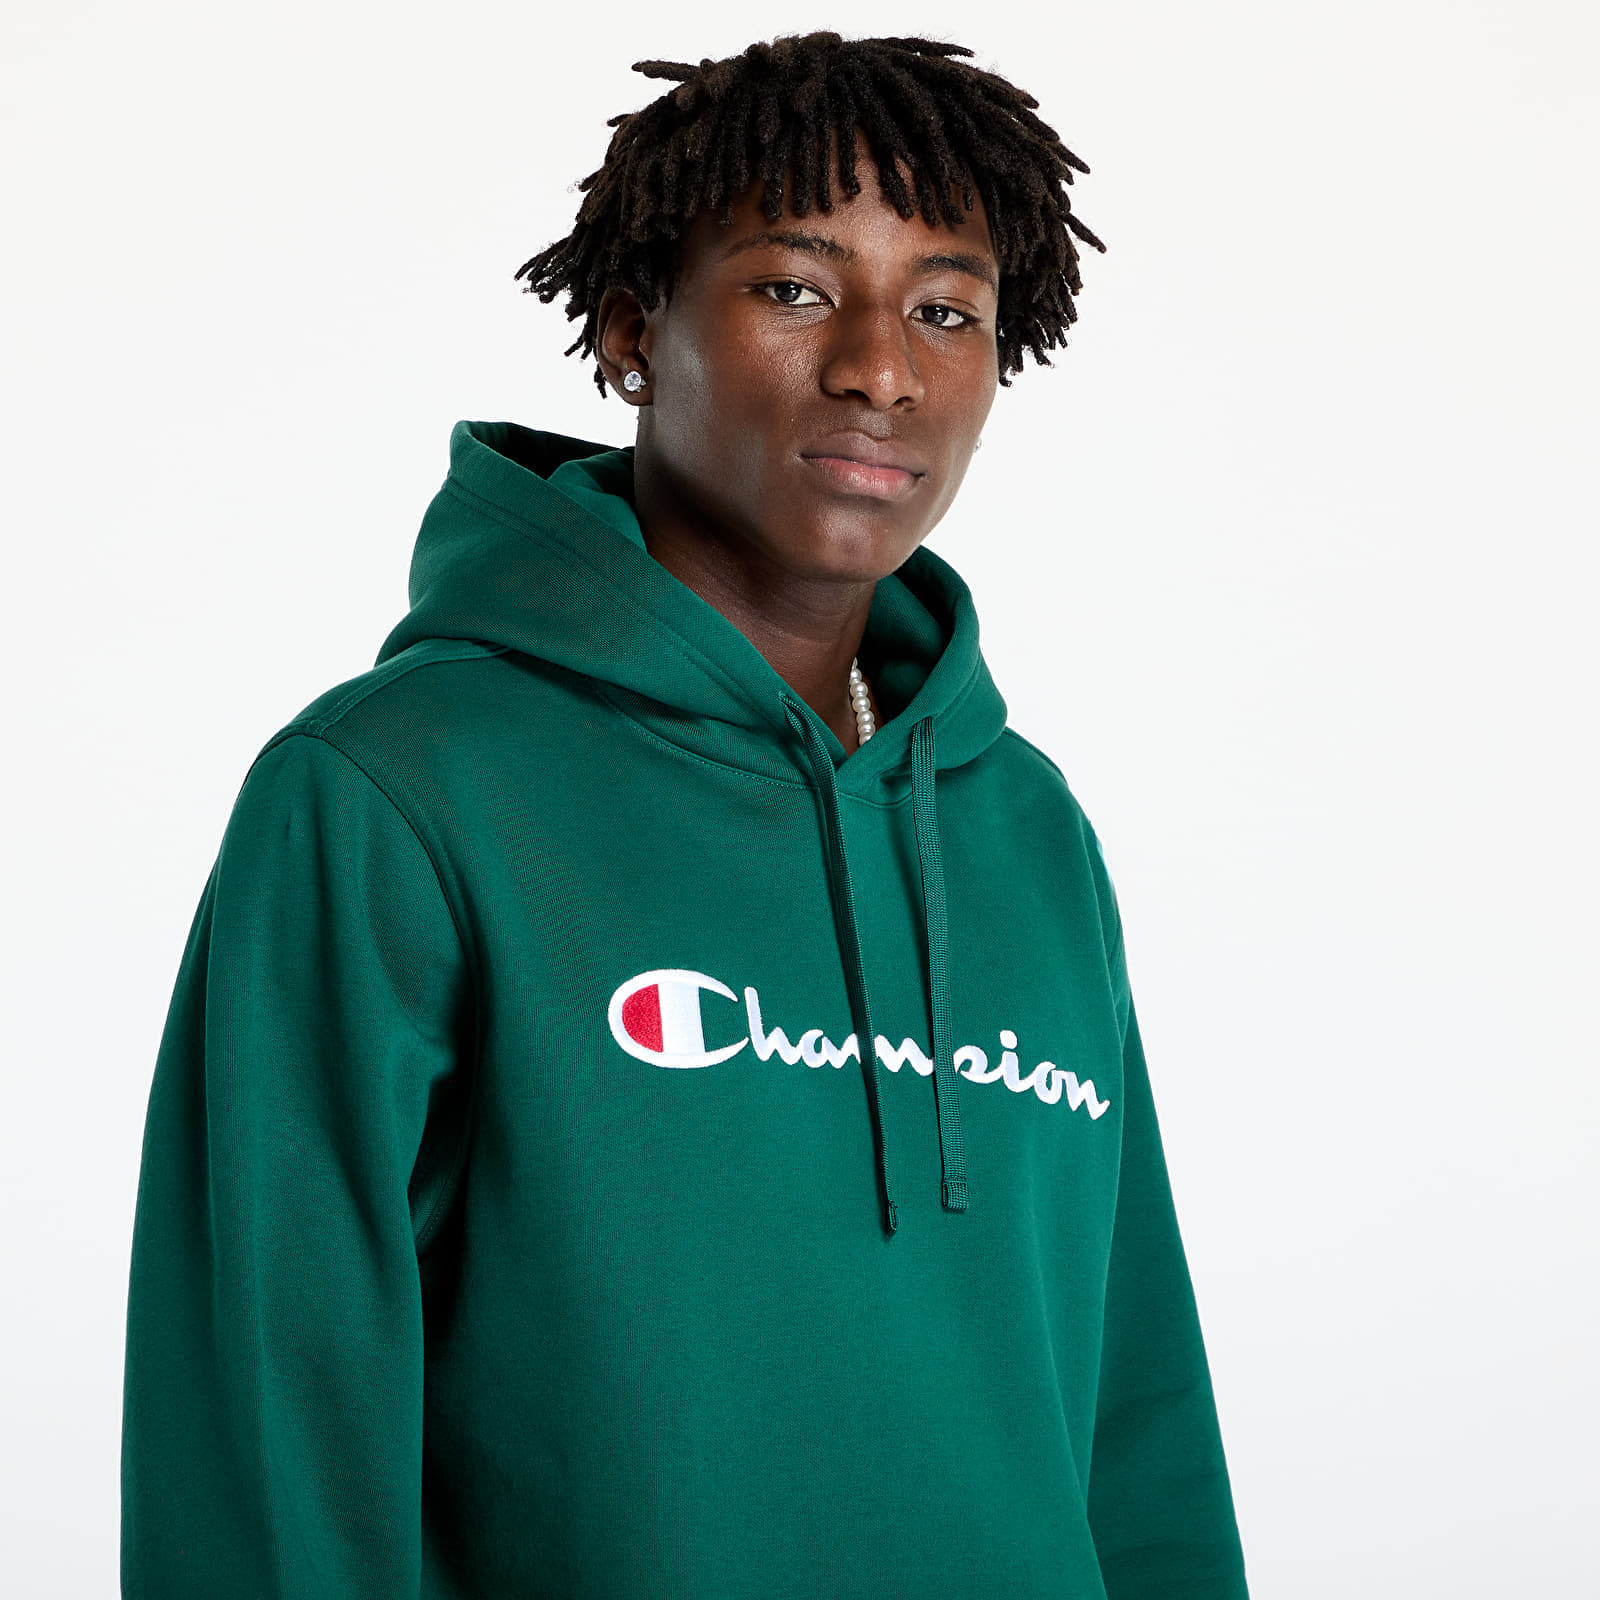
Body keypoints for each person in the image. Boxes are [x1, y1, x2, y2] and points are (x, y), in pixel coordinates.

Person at [121, 31, 1249, 1599]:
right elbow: (270, 1426)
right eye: (794, 287)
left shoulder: (1024, 827)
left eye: (945, 310)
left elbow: (1135, 1406)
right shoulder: (397, 790)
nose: (880, 368)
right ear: (631, 326)